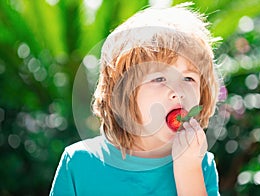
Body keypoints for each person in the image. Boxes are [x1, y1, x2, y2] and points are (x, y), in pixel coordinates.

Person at [50, 3, 221, 196]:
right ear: (124, 94)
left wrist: (188, 171)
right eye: (159, 78)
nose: (178, 91)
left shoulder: (199, 163)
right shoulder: (80, 162)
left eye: (188, 78)